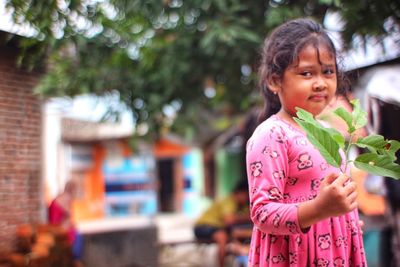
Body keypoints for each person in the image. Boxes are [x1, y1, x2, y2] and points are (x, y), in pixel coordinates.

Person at [245, 18, 367, 266]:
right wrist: (320, 210)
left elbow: (329, 200)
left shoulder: (328, 133)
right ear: (274, 80)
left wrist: (342, 221)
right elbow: (262, 213)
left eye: (328, 72)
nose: (321, 82)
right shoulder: (272, 134)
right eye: (306, 73)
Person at [194, 179, 251, 267]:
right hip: (203, 226)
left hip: (220, 228)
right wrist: (247, 217)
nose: (247, 198)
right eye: (246, 195)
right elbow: (229, 220)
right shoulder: (228, 201)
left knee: (238, 234)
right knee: (222, 236)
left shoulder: (243, 205)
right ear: (240, 193)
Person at [48, 180, 83, 265]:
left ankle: (75, 260)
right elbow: (69, 218)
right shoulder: (67, 198)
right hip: (60, 230)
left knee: (76, 233)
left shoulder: (59, 197)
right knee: (77, 235)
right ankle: (75, 261)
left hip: (55, 227)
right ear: (72, 189)